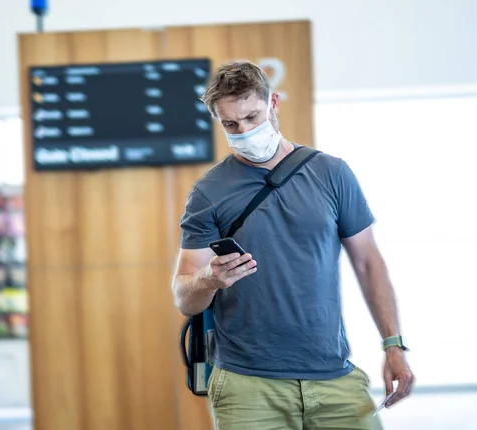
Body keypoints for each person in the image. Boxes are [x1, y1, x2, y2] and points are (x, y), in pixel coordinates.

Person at [172, 60, 414, 430]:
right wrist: (209, 279)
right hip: (247, 385)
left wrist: (392, 344)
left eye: (252, 117)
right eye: (231, 125)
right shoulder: (209, 192)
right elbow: (184, 295)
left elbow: (368, 263)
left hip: (334, 376)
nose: (244, 130)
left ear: (274, 104)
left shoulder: (331, 173)